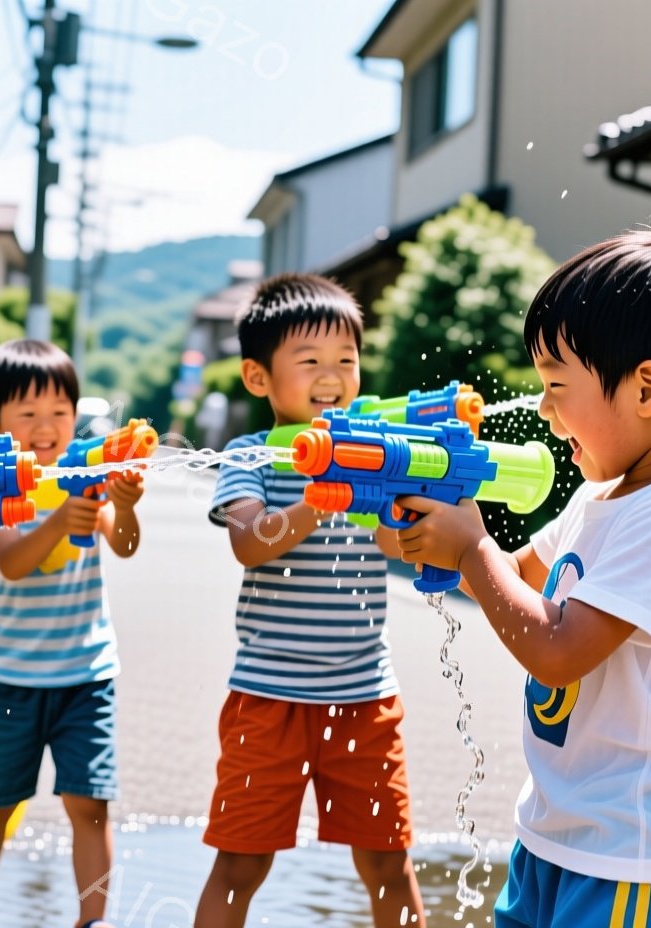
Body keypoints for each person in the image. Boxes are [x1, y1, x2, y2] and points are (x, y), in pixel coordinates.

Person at [393, 227, 651, 928]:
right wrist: (422, 523)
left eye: (557, 387)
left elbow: (557, 649)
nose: (546, 412)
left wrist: (469, 550)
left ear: (647, 388)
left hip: (632, 853)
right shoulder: (602, 497)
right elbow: (518, 578)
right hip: (559, 831)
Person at [195, 274, 423, 928]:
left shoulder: (373, 453)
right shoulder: (252, 455)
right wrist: (320, 495)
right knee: (241, 863)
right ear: (258, 378)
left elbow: (394, 542)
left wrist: (407, 501)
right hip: (268, 699)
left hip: (364, 695)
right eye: (311, 361)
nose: (333, 375)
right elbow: (248, 542)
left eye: (346, 361)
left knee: (387, 861)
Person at [0, 339, 145, 928]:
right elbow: (11, 561)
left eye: (59, 412)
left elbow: (126, 546)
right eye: (27, 415)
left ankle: (93, 919)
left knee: (91, 804)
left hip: (88, 675)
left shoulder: (88, 474)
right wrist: (59, 517)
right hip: (14, 679)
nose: (46, 427)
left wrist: (126, 506)